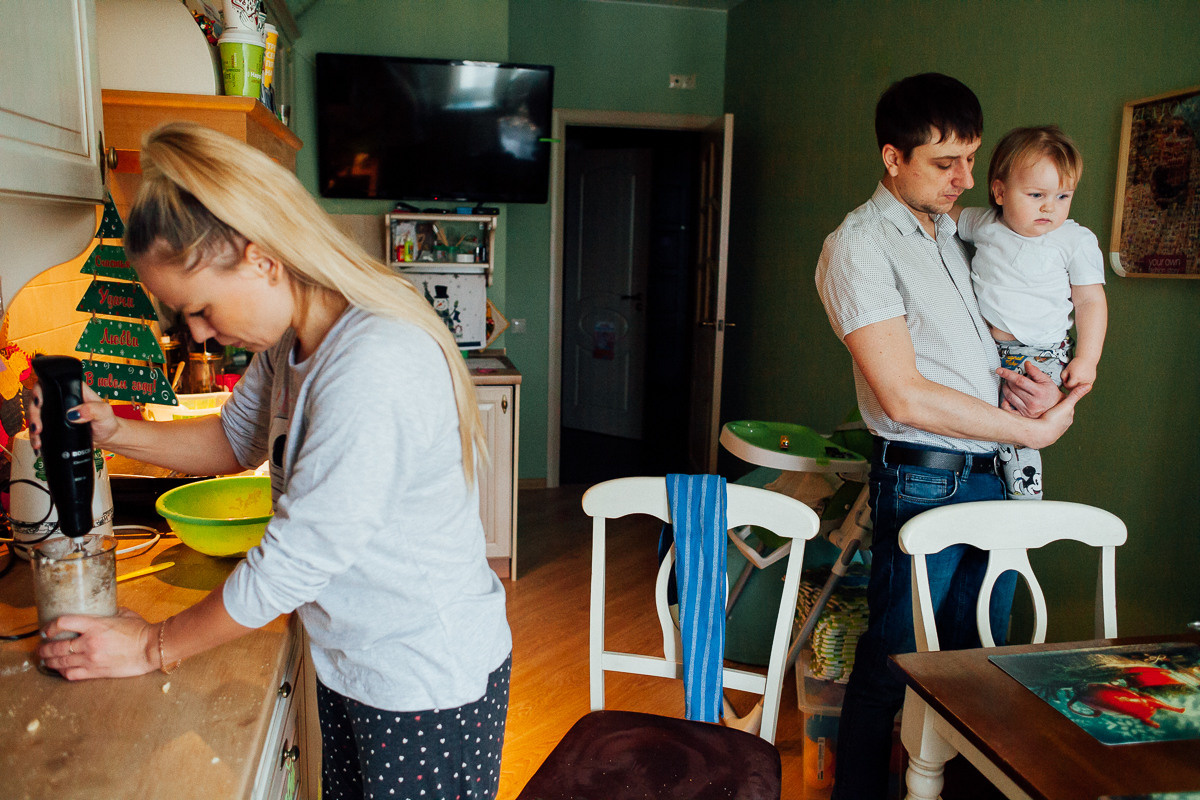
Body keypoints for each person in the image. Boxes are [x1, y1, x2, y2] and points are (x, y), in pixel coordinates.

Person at [27, 122, 512, 800]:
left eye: (198, 310)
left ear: (260, 259)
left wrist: (150, 646)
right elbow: (234, 441)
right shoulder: (289, 344)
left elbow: (292, 562)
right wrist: (111, 429)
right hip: (356, 661)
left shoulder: (373, 362)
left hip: (421, 679)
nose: (198, 333)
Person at [814, 73, 1090, 799]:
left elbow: (1001, 343)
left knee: (980, 658)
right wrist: (1037, 430)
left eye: (971, 159)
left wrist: (1046, 394)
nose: (967, 179)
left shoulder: (963, 236)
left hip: (995, 471)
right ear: (893, 157)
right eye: (946, 163)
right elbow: (903, 392)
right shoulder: (859, 245)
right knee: (896, 656)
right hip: (923, 475)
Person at [954, 125, 1108, 500]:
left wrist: (1088, 359)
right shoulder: (983, 222)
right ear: (1000, 192)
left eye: (1062, 196)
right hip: (987, 351)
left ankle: (1025, 505)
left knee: (1020, 431)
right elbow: (943, 214)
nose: (1048, 207)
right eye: (1036, 194)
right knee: (983, 431)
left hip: (1039, 354)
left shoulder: (1074, 240)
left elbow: (1090, 301)